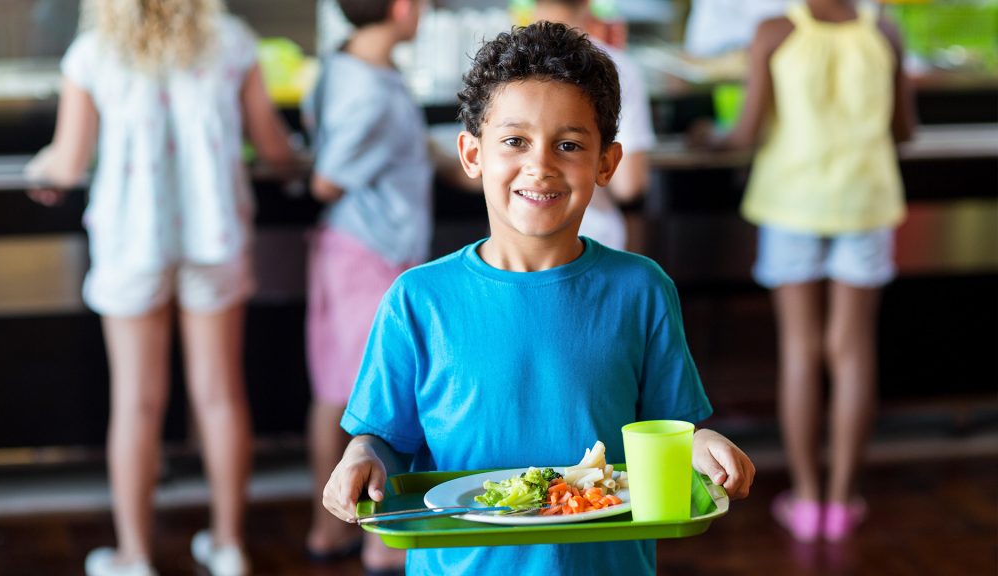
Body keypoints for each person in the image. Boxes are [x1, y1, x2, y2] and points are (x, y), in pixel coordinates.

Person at [322, 21, 755, 576]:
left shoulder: (642, 289)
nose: (541, 164)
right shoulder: (418, 299)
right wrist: (360, 455)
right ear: (472, 155)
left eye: (569, 144)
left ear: (607, 163)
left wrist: (704, 446)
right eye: (514, 141)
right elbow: (383, 437)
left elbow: (672, 431)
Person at [24, 0, 296, 574]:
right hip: (215, 237)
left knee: (136, 403)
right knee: (221, 395)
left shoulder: (95, 53)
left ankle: (136, 555)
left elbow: (68, 163)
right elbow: (273, 146)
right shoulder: (232, 41)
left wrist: (40, 171)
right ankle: (228, 546)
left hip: (132, 244)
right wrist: (298, 164)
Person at [691, 0, 916, 543]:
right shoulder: (884, 29)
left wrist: (707, 136)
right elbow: (904, 129)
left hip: (792, 204)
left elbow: (744, 133)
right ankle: (841, 504)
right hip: (866, 203)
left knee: (800, 348)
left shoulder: (774, 30)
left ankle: (807, 500)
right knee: (853, 349)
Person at [302, 1, 431, 574]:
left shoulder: (342, 65)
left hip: (342, 249)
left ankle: (326, 531)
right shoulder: (375, 93)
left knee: (335, 391)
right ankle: (382, 543)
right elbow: (328, 178)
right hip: (373, 258)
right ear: (401, 7)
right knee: (384, 403)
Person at [534, 0, 656, 251]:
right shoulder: (618, 68)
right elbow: (630, 185)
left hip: (516, 243)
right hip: (595, 237)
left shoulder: (507, 67)